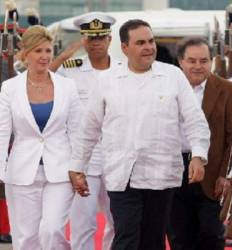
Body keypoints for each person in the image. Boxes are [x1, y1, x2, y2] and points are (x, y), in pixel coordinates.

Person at [69, 19, 211, 250]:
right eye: (141, 43)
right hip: (122, 174)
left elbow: (195, 120)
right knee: (126, 234)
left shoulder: (172, 76)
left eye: (151, 41)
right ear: (125, 48)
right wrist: (78, 167)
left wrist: (198, 155)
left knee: (153, 238)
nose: (149, 47)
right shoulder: (107, 81)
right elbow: (89, 129)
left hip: (161, 172)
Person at [0, 25, 82, 250]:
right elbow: (2, 131)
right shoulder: (10, 88)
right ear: (25, 54)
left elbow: (77, 131)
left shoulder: (67, 86)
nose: (44, 56)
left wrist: (78, 167)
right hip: (21, 172)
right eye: (38, 51)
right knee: (26, 238)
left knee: (52, 229)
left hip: (61, 170)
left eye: (48, 51)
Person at [50, 12, 117, 250]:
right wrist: (63, 56)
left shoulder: (122, 70)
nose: (96, 42)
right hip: (83, 159)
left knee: (118, 222)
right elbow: (40, 79)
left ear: (110, 39)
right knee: (83, 224)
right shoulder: (71, 69)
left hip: (116, 157)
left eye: (100, 37)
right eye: (90, 38)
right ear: (83, 40)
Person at [167, 37, 232, 250]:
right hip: (173, 171)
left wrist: (226, 174)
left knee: (211, 235)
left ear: (212, 61)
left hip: (212, 173)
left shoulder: (228, 90)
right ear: (180, 61)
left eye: (204, 61)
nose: (198, 66)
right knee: (179, 236)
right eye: (192, 61)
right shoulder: (166, 89)